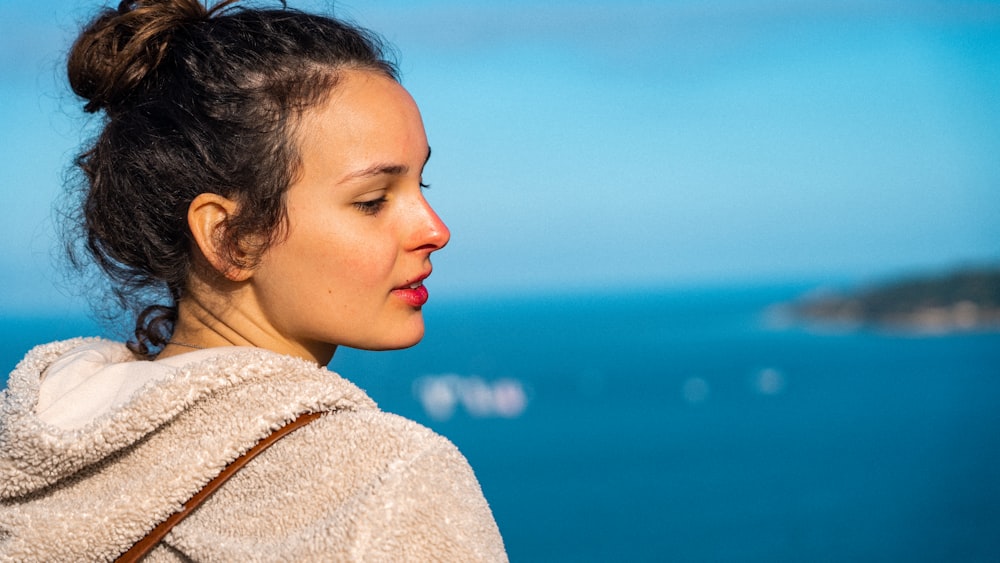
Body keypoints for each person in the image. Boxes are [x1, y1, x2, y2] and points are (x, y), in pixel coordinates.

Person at [0, 0, 507, 560]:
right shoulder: (388, 483)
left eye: (421, 187)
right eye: (372, 201)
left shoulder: (30, 461)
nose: (435, 230)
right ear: (230, 238)